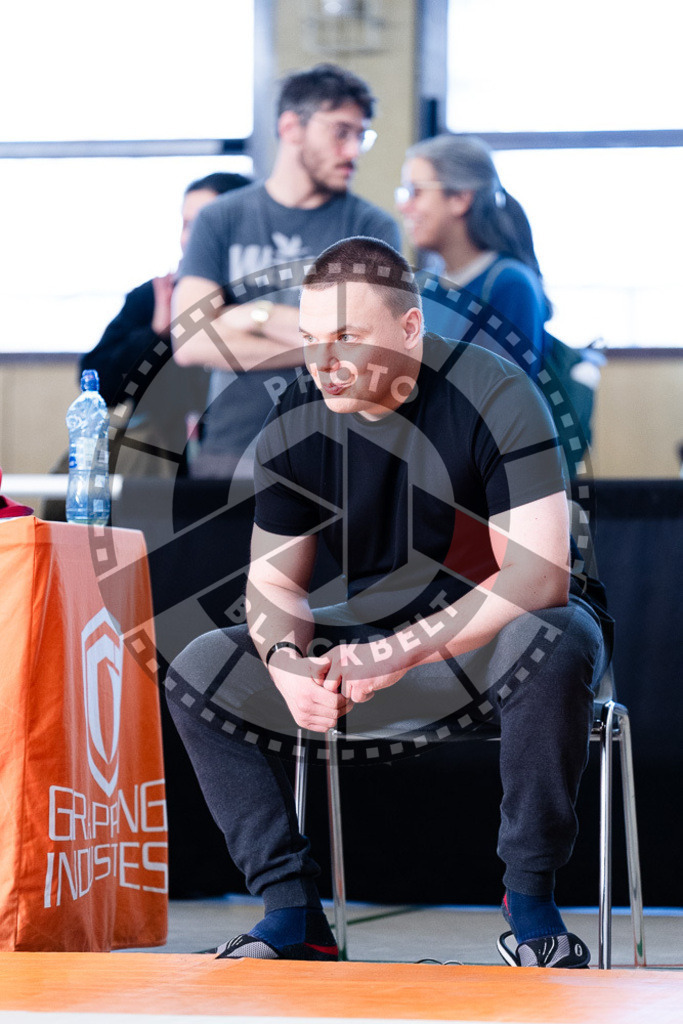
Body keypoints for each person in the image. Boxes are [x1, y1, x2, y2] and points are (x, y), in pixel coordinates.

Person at [166, 236, 611, 968]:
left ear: (410, 330)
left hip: (492, 643)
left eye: (346, 336)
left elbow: (537, 577)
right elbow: (273, 582)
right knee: (201, 663)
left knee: (552, 635)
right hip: (365, 634)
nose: (324, 361)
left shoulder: (495, 392)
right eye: (310, 340)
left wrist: (400, 649)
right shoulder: (297, 417)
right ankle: (291, 913)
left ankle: (529, 907)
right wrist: (282, 659)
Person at [172, 63, 401, 478]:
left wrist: (251, 316)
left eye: (360, 135)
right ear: (292, 127)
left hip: (339, 458)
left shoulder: (372, 229)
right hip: (230, 453)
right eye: (340, 132)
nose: (353, 151)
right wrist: (326, 342)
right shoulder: (220, 219)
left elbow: (373, 354)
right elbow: (190, 342)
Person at [80, 171, 251, 477]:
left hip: (244, 468)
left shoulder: (266, 301)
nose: (192, 237)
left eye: (204, 224)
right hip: (160, 478)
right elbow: (96, 381)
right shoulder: (156, 296)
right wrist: (156, 335)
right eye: (187, 225)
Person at [396, 133, 550, 382]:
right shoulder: (424, 286)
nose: (403, 206)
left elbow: (506, 401)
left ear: (460, 199)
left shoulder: (510, 285)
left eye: (416, 192)